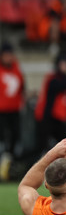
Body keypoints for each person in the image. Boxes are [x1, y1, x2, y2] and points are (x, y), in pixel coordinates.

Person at [34, 54, 66, 156]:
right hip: (47, 117)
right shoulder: (54, 79)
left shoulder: (64, 79)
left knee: (63, 145)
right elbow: (61, 87)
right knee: (42, 148)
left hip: (57, 119)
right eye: (63, 64)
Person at [0, 43, 25, 181]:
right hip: (1, 111)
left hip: (14, 110)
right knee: (3, 140)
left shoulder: (16, 68)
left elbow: (22, 85)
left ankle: (10, 168)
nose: (9, 58)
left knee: (15, 139)